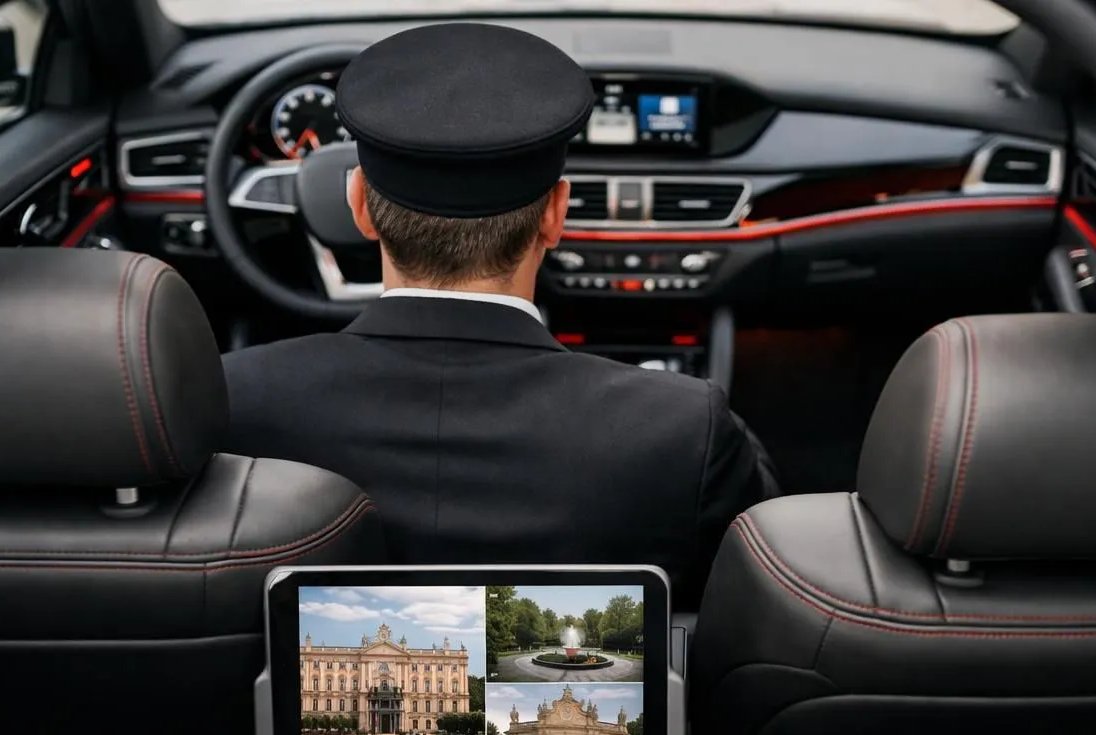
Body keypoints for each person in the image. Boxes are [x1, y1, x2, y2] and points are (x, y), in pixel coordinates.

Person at [222, 22, 779, 605]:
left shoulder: (234, 404)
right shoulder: (686, 431)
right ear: (555, 215)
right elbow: (754, 604)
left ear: (358, 204)